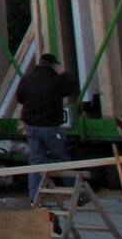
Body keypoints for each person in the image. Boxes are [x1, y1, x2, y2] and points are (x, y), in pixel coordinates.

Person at [13, 52, 78, 204]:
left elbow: (20, 98)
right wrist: (65, 74)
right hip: (50, 127)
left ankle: (34, 198)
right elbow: (71, 87)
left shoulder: (27, 79)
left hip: (32, 127)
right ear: (52, 64)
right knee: (61, 159)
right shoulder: (56, 79)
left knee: (35, 163)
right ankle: (76, 194)